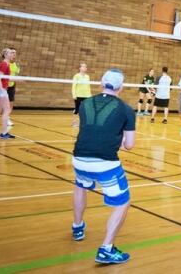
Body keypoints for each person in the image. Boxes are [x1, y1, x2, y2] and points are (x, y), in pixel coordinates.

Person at [71, 69, 135, 264]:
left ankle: (77, 226)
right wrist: (120, 139)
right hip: (105, 163)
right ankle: (106, 249)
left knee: (80, 185)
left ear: (101, 84)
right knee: (123, 202)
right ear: (121, 88)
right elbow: (129, 145)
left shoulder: (85, 103)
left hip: (79, 159)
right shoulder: (126, 109)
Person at [71, 63, 92, 127]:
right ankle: (74, 122)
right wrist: (74, 94)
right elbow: (73, 86)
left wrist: (90, 94)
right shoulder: (76, 76)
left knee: (85, 109)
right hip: (78, 95)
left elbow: (88, 86)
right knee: (77, 109)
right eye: (83, 66)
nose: (85, 68)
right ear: (80, 68)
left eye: (86, 67)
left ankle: (82, 122)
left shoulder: (87, 76)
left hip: (86, 95)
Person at [6, 48, 19, 126]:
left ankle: (7, 118)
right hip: (4, 86)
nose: (14, 54)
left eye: (15, 53)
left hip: (12, 86)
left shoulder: (16, 64)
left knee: (11, 105)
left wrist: (15, 85)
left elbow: (16, 76)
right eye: (12, 52)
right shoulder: (5, 64)